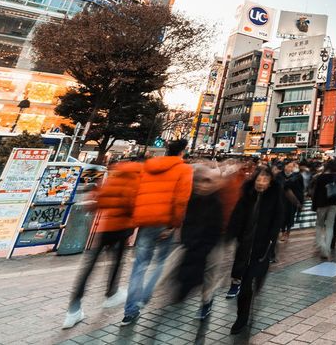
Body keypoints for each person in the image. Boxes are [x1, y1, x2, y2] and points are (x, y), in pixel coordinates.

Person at [62, 157, 141, 329]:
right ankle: (111, 293)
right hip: (122, 227)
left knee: (89, 267)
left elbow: (100, 201)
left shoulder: (114, 178)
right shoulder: (135, 179)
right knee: (117, 263)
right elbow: (131, 204)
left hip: (105, 228)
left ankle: (73, 309)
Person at [121, 140, 193, 326]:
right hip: (165, 221)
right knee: (161, 262)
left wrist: (136, 217)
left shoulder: (148, 167)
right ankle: (143, 297)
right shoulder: (184, 170)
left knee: (140, 265)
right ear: (182, 152)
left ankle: (130, 310)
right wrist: (174, 225)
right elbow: (181, 200)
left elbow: (135, 193)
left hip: (145, 221)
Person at [226, 166, 283, 334]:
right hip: (244, 245)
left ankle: (258, 279)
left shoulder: (274, 196)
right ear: (254, 180)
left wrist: (272, 238)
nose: (261, 183)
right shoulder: (247, 195)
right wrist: (231, 234)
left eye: (265, 180)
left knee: (252, 278)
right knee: (244, 283)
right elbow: (236, 216)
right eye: (259, 179)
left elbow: (278, 217)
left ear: (271, 182)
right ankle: (241, 317)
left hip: (262, 246)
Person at [171, 163, 225, 320]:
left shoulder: (216, 202)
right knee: (185, 267)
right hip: (194, 242)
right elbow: (187, 221)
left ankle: (206, 302)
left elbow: (216, 229)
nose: (202, 185)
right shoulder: (193, 198)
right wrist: (187, 240)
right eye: (200, 181)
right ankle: (184, 290)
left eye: (207, 182)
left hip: (212, 243)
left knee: (210, 273)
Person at [311, 161, 336, 260]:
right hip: (334, 204)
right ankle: (327, 248)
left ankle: (321, 245)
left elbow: (316, 193)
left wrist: (314, 206)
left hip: (321, 204)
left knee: (319, 225)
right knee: (330, 226)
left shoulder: (320, 177)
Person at [281, 161, 304, 242]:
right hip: (283, 199)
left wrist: (300, 201)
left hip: (293, 200)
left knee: (290, 217)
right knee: (282, 216)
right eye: (289, 166)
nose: (290, 168)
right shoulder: (281, 175)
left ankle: (287, 233)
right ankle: (283, 232)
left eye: (292, 166)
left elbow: (300, 189)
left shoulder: (297, 176)